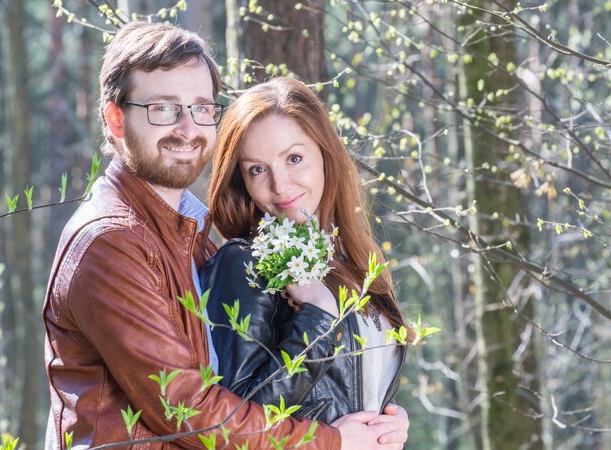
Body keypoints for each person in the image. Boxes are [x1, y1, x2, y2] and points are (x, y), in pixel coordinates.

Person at [43, 21, 406, 450]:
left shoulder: (190, 238)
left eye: (200, 107)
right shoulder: (110, 244)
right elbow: (193, 410)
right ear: (116, 119)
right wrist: (332, 441)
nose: (186, 127)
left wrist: (382, 425)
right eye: (162, 108)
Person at [201, 77, 412, 436]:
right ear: (242, 182)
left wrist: (390, 423)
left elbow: (347, 392)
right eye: (256, 169)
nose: (280, 185)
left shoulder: (348, 263)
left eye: (294, 158)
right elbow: (235, 425)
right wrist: (317, 316)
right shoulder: (247, 265)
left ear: (325, 153)